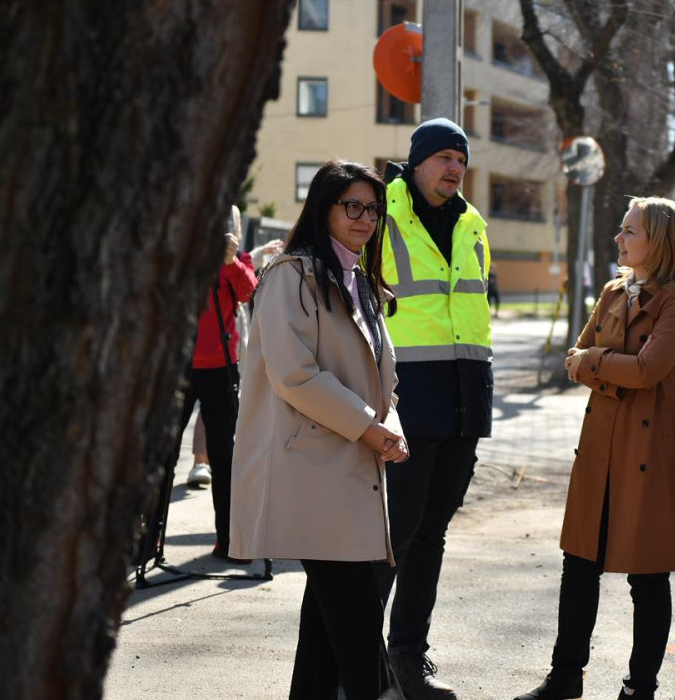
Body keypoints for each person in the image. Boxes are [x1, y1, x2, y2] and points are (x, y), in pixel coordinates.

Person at [229, 160, 409, 699]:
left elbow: (382, 377)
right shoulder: (293, 274)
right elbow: (295, 374)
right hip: (309, 466)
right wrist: (368, 428)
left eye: (373, 209)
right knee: (355, 624)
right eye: (351, 206)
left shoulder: (359, 280)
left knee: (326, 628)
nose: (364, 218)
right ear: (323, 208)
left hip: (348, 464)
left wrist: (388, 421)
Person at [516, 196, 675, 700]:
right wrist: (608, 365)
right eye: (621, 230)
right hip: (599, 450)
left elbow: (646, 370)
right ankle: (564, 678)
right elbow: (574, 359)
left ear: (658, 242)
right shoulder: (613, 291)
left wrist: (599, 363)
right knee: (578, 565)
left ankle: (640, 689)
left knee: (647, 577)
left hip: (650, 454)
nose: (618, 238)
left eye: (629, 231)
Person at [376, 118, 493, 700]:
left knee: (430, 535)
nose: (454, 168)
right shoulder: (380, 213)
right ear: (417, 161)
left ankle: (407, 659)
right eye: (444, 157)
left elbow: (472, 314)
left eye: (461, 160)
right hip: (404, 396)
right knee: (389, 537)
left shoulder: (473, 225)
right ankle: (361, 662)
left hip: (463, 400)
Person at [176, 208, 256, 557]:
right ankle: (146, 542)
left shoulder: (239, 262)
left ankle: (228, 540)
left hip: (222, 368)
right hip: (178, 367)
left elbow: (248, 293)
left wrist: (228, 262)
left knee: (224, 456)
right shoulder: (180, 256)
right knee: (157, 457)